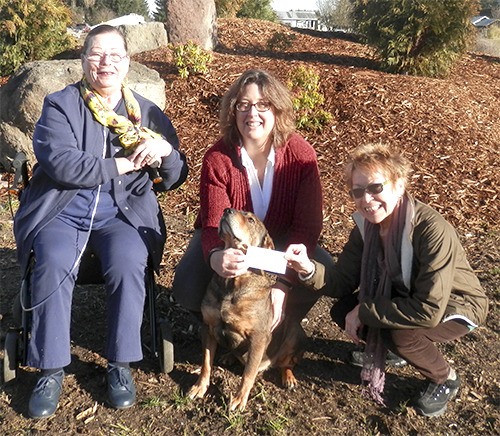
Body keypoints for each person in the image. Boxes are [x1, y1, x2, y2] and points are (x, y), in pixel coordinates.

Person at [13, 25, 188, 419]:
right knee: (54, 260)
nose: (105, 62)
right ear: (83, 60)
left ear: (127, 62)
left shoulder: (147, 112)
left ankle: (120, 364)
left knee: (129, 261)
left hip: (121, 214)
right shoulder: (59, 104)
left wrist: (165, 151)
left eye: (114, 54)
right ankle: (51, 367)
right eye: (96, 53)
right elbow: (61, 163)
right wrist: (124, 162)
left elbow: (175, 177)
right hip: (63, 208)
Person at [284, 142, 488, 417]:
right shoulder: (366, 228)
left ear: (399, 184)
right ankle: (395, 352)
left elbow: (428, 309)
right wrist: (307, 268)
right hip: (404, 295)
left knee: (400, 333)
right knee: (343, 309)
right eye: (358, 192)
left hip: (457, 305)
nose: (366, 199)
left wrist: (366, 311)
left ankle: (445, 378)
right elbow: (342, 281)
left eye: (375, 188)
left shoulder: (431, 230)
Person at [172, 69, 333, 332]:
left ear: (277, 111)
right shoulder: (217, 158)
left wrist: (283, 284)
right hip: (230, 242)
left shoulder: (301, 156)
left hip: (280, 242)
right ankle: (220, 327)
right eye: (243, 105)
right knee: (187, 286)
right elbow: (213, 225)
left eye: (262, 105)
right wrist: (215, 257)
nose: (252, 114)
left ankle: (279, 326)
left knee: (322, 270)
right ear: (233, 112)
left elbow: (307, 228)